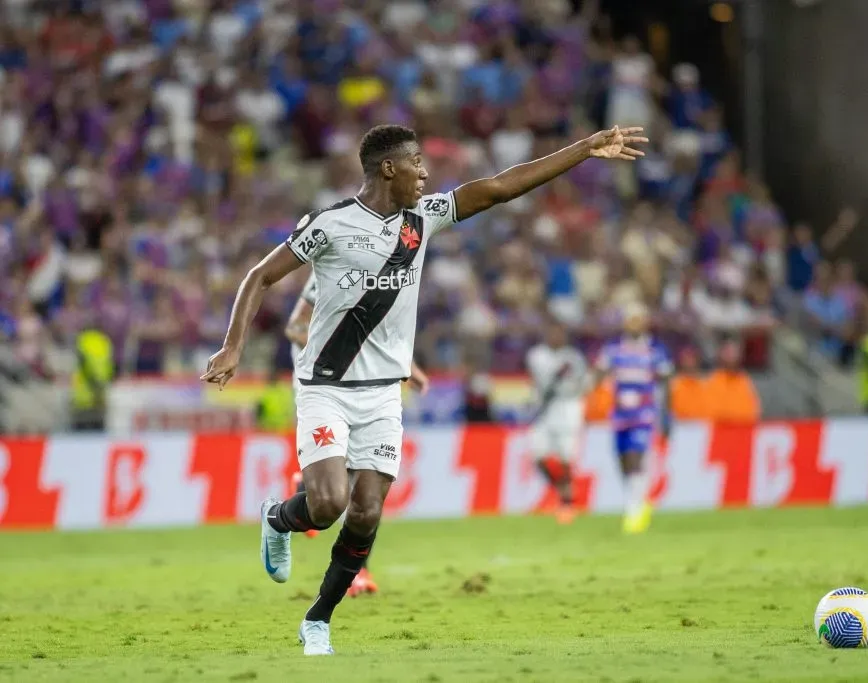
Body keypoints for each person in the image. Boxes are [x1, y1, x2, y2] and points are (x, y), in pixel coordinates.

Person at [201, 123, 647, 655]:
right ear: (389, 167)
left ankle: (318, 619)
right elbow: (259, 276)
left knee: (365, 512)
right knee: (326, 504)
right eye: (417, 162)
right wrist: (233, 347)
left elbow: (501, 187)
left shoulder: (423, 219)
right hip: (327, 387)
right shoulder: (330, 225)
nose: (426, 173)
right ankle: (278, 517)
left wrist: (586, 148)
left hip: (384, 394)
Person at [282, 272, 429, 598]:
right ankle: (306, 492)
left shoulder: (382, 271)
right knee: (343, 483)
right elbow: (295, 327)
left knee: (367, 486)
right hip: (321, 383)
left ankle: (359, 570)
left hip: (366, 384)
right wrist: (339, 355)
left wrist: (408, 364)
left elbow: (374, 333)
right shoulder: (332, 263)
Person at [591, 301, 673, 534]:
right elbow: (599, 373)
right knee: (623, 461)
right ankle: (638, 501)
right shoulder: (614, 349)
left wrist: (667, 416)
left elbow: (665, 383)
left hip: (644, 414)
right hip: (619, 414)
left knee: (635, 457)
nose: (634, 323)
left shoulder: (655, 350)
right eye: (630, 319)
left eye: (638, 319)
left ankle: (633, 511)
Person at [525, 321, 590, 524]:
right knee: (539, 456)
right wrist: (558, 373)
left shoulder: (574, 356)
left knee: (565, 458)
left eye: (560, 333)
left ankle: (566, 503)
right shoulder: (537, 355)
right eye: (553, 332)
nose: (556, 337)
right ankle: (562, 490)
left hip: (568, 407)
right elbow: (544, 382)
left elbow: (583, 382)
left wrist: (578, 390)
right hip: (544, 409)